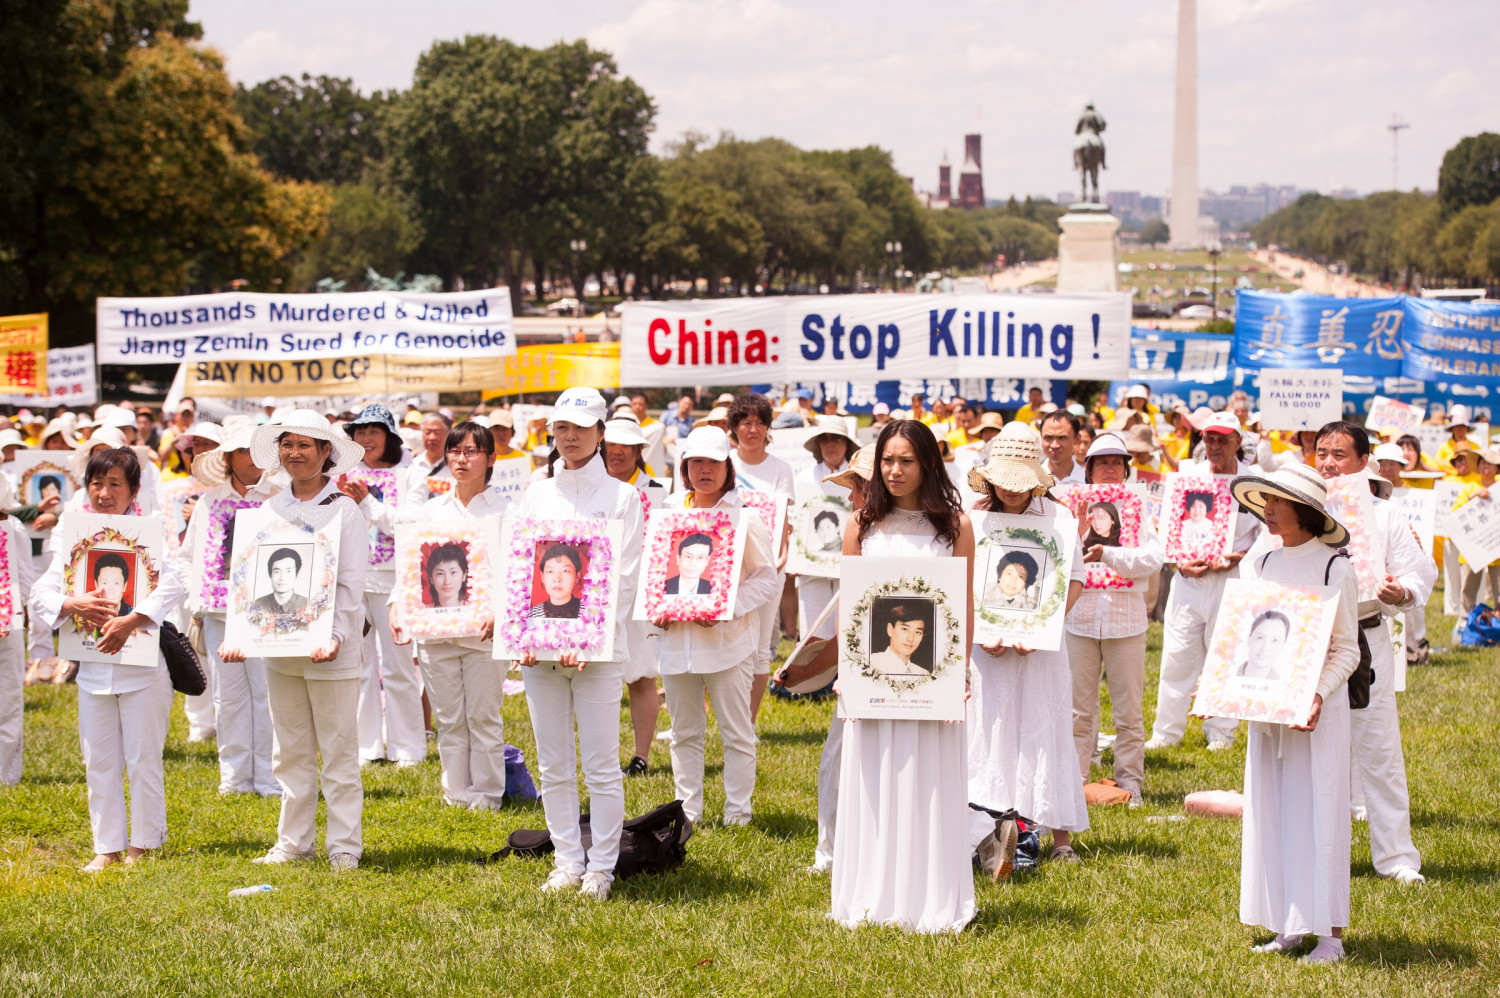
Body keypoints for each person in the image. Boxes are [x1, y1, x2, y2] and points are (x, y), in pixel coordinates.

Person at [832, 420, 975, 933]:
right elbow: (851, 608)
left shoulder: (955, 527)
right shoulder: (859, 526)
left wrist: (959, 669)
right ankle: (869, 893)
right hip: (870, 680)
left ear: (928, 465)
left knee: (931, 781)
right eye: (886, 460)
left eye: (906, 461)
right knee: (871, 780)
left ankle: (930, 897)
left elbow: (963, 604)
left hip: (933, 680)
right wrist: (849, 670)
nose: (894, 470)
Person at [221, 410, 369, 870]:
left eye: (307, 445)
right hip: (280, 651)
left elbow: (349, 584)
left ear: (327, 453)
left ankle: (344, 845)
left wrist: (337, 635)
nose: (296, 453)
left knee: (340, 751)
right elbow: (244, 580)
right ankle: (293, 841)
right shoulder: (268, 510)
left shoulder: (345, 510)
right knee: (290, 752)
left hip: (332, 653)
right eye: (288, 444)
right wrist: (238, 635)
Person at [513, 387, 643, 901]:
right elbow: (524, 572)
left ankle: (601, 868)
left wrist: (588, 638)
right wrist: (522, 631)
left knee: (600, 764)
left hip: (598, 653)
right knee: (553, 763)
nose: (570, 437)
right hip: (539, 651)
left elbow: (625, 578)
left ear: (601, 433)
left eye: (581, 428)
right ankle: (567, 859)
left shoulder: (623, 497)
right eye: (562, 428)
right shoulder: (535, 491)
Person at [29, 447, 187, 870]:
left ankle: (144, 844)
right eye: (96, 483)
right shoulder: (71, 531)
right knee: (98, 758)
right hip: (93, 664)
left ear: (134, 489)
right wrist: (71, 603)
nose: (104, 492)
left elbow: (176, 582)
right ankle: (107, 847)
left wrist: (133, 619)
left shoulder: (151, 530)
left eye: (115, 483)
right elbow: (40, 592)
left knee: (142, 757)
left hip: (142, 664)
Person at [1229, 462, 1359, 965]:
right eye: (1263, 500)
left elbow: (1346, 650)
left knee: (1320, 810)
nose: (1267, 510)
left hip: (1316, 714)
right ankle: (1287, 923)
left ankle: (1330, 937)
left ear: (1303, 509)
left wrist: (1317, 695)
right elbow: (1245, 635)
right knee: (1273, 807)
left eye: (1276, 501)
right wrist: (1224, 690)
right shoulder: (1260, 563)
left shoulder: (1335, 567)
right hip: (1269, 711)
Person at [1308, 420, 1436, 885]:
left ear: (1365, 463)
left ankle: (1397, 857)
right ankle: (1314, 850)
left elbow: (1422, 573)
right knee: (1309, 748)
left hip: (1366, 634)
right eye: (1322, 452)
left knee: (1378, 749)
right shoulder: (1300, 509)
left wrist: (1401, 590)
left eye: (1340, 454)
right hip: (1309, 639)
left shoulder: (1384, 515)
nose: (1328, 462)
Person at [965, 422, 1088, 874]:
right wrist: (982, 632)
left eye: (1020, 484)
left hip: (1041, 649)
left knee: (1044, 724)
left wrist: (1043, 625)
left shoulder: (1058, 517)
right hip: (988, 646)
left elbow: (1074, 580)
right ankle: (988, 830)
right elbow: (964, 582)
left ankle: (1058, 836)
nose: (1011, 492)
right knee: (990, 725)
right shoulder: (973, 516)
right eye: (1004, 483)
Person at [653, 426, 776, 827]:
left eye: (714, 462)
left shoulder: (745, 517)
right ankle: (687, 812)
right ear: (684, 467)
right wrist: (656, 604)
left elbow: (765, 577)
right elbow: (655, 573)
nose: (705, 470)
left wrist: (728, 606)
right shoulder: (668, 512)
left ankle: (738, 812)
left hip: (728, 643)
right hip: (675, 643)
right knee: (683, 732)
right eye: (696, 462)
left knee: (736, 732)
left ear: (728, 467)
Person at [391, 419, 513, 812]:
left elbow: (518, 570)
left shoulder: (507, 511)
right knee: (448, 717)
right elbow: (410, 566)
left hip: (484, 632)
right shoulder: (431, 509)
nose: (461, 459)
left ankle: (488, 793)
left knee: (483, 715)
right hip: (436, 631)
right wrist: (398, 605)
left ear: (491, 458)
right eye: (455, 451)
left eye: (471, 451)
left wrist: (502, 612)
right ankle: (456, 793)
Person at [1148, 411, 1262, 752]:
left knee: (1225, 654)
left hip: (1232, 579)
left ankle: (1221, 732)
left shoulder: (1256, 482)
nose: (1214, 445)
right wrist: (1179, 561)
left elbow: (1269, 536)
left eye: (1222, 439)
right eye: (1209, 438)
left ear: (1238, 443)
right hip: (1188, 580)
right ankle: (1166, 732)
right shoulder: (1187, 478)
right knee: (1176, 656)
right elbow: (1165, 530)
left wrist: (1239, 558)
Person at [178, 419, 280, 797]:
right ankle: (235, 778)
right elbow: (188, 554)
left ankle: (269, 777)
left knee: (267, 692)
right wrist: (198, 598)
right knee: (229, 694)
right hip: (221, 612)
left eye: (256, 450)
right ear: (228, 458)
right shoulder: (210, 500)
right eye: (242, 451)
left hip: (270, 610)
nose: (251, 459)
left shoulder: (278, 497)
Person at [1066, 433, 1164, 808]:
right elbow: (1060, 557)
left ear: (1126, 469)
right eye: (1101, 463)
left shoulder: (1140, 508)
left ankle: (1131, 783)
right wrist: (1076, 531)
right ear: (1088, 469)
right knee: (1078, 709)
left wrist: (1108, 555)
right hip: (1080, 619)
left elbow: (1154, 558)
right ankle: (1076, 782)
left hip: (1126, 620)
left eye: (1116, 463)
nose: (1109, 469)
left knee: (1128, 710)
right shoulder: (1073, 506)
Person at [792, 444, 874, 874]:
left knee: (840, 761)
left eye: (857, 487)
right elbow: (849, 626)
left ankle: (837, 851)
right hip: (865, 667)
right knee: (838, 760)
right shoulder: (858, 529)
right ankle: (834, 849)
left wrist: (808, 670)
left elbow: (849, 631)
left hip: (889, 669)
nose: (849, 497)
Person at [338, 404, 424, 768]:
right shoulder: (342, 474)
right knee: (359, 667)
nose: (366, 439)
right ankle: (367, 747)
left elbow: (411, 525)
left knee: (400, 667)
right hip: (354, 582)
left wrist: (369, 503)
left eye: (374, 431)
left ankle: (407, 748)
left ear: (389, 435)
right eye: (359, 432)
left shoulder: (411, 473)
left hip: (395, 583)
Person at [600, 415, 666, 777]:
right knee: (600, 675)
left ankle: (640, 755)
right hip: (598, 593)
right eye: (611, 446)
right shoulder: (594, 487)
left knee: (641, 674)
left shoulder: (656, 491)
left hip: (641, 594)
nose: (618, 453)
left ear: (639, 451)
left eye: (626, 446)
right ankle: (604, 756)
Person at [726, 393, 794, 717]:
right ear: (734, 427)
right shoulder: (723, 463)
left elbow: (784, 520)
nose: (753, 429)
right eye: (745, 422)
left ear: (768, 427)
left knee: (760, 648)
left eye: (759, 422)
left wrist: (780, 557)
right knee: (726, 642)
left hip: (769, 565)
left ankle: (747, 724)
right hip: (728, 565)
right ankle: (727, 717)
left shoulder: (781, 469)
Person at [0, 472, 41, 786]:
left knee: (9, 699)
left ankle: (6, 776)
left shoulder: (12, 528)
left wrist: (10, 610)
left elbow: (25, 579)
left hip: (7, 626)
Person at [402, 412, 454, 507]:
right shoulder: (410, 466)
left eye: (437, 432)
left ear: (448, 435)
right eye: (427, 432)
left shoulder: (455, 467)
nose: (432, 437)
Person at [253, 548, 309, 618]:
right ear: (270, 574)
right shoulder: (258, 605)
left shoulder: (307, 605)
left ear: (296, 574)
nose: (282, 578)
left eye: (288, 571)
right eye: (277, 572)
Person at [530, 544, 585, 615]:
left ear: (577, 576)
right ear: (542, 576)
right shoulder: (532, 615)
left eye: (565, 571)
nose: (557, 579)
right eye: (550, 571)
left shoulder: (589, 613)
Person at [1236, 611, 1290, 681]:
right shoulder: (1226, 676)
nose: (1265, 648)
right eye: (1260, 638)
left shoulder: (1284, 688)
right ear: (1249, 640)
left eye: (1275, 640)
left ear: (1283, 646)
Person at [1039, 410, 1086, 485]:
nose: (1054, 445)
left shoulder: (1089, 481)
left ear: (1077, 439)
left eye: (1061, 438)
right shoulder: (1030, 482)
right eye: (1048, 437)